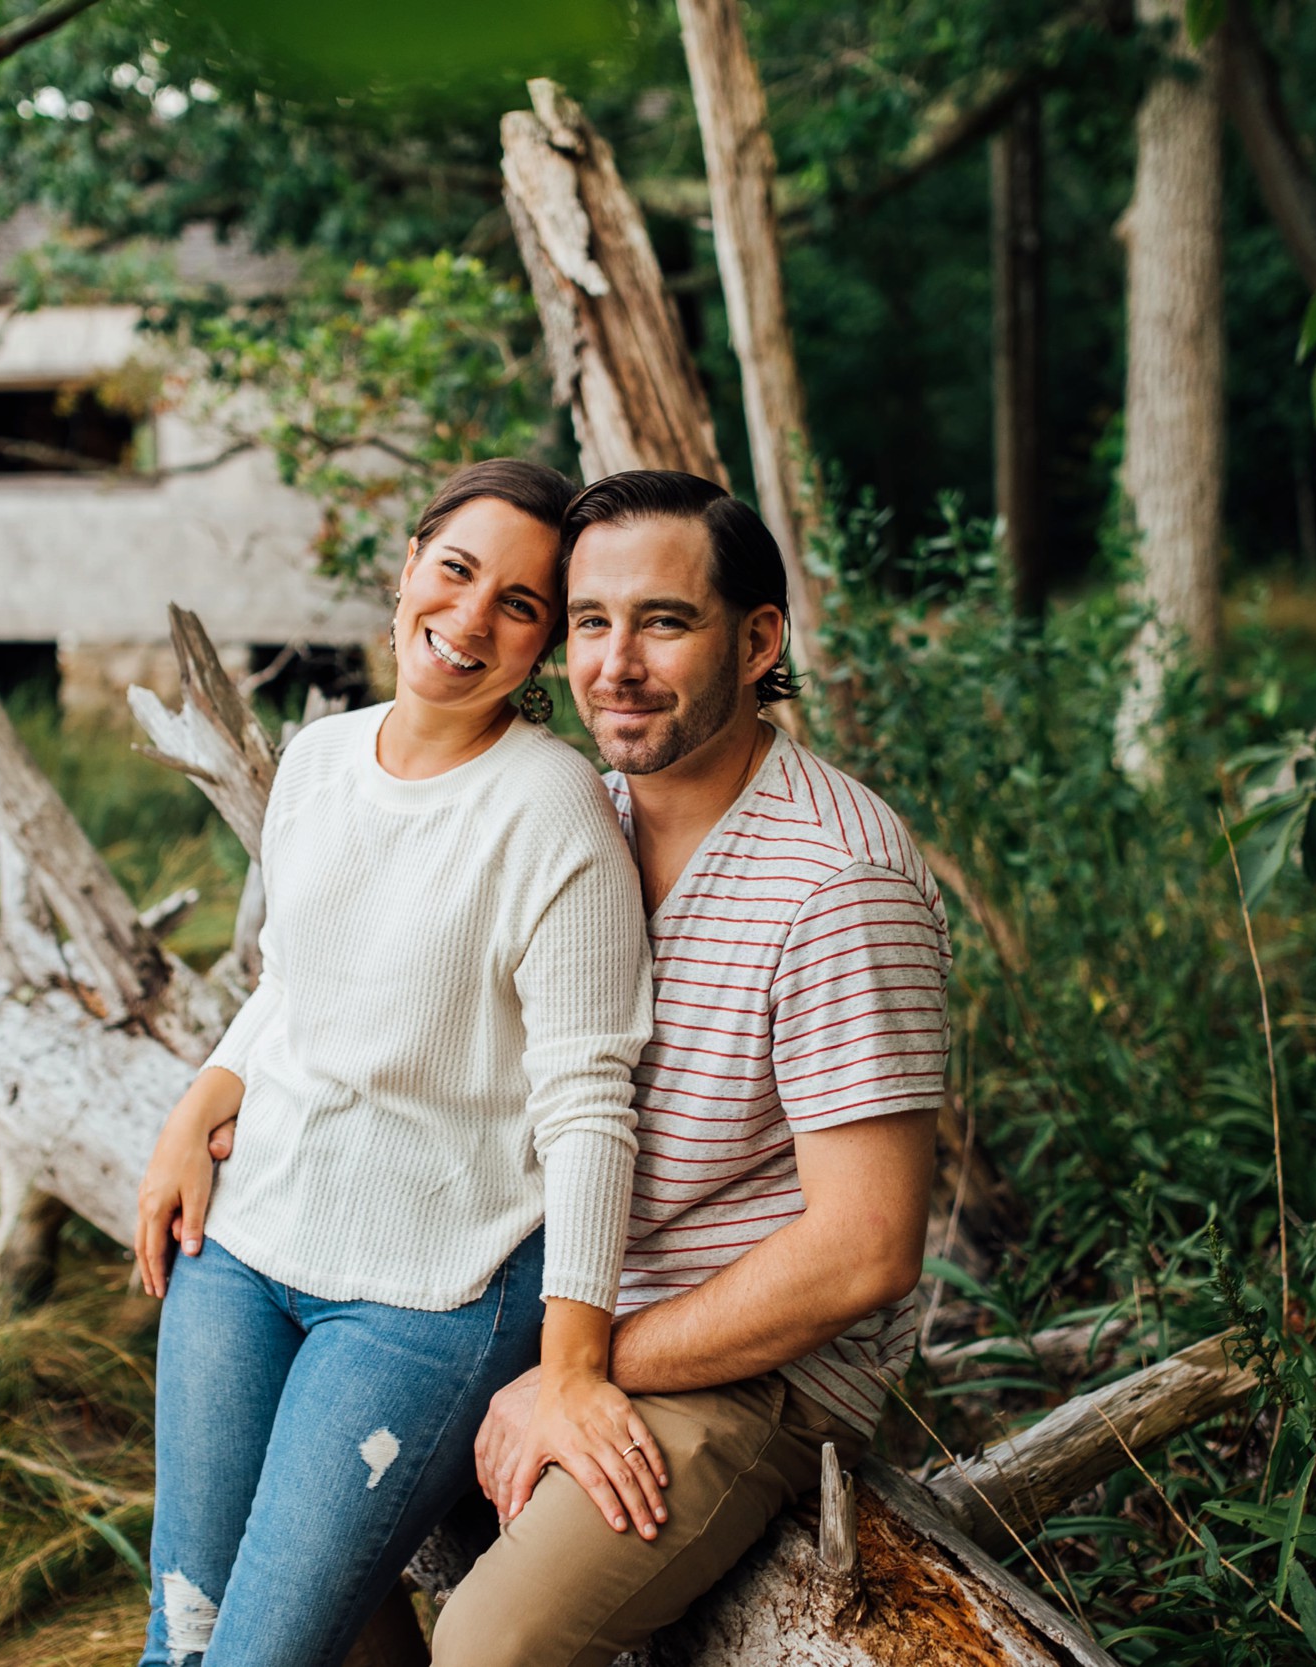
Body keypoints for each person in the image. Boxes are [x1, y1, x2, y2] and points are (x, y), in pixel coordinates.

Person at [130, 458, 664, 1667]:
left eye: (520, 604)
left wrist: (572, 1360)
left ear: (541, 649)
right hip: (247, 1239)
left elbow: (591, 1108)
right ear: (409, 567)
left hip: (434, 1285)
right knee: (182, 1635)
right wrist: (199, 1098)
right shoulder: (320, 758)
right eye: (457, 570)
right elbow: (294, 984)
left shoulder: (553, 812)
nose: (471, 618)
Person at [429, 470, 951, 1667]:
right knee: (310, 1526)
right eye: (589, 620)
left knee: (490, 1644)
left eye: (663, 621)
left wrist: (579, 1366)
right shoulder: (578, 816)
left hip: (749, 1368)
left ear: (759, 637)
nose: (613, 663)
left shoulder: (836, 879)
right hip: (558, 1302)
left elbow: (865, 1248)